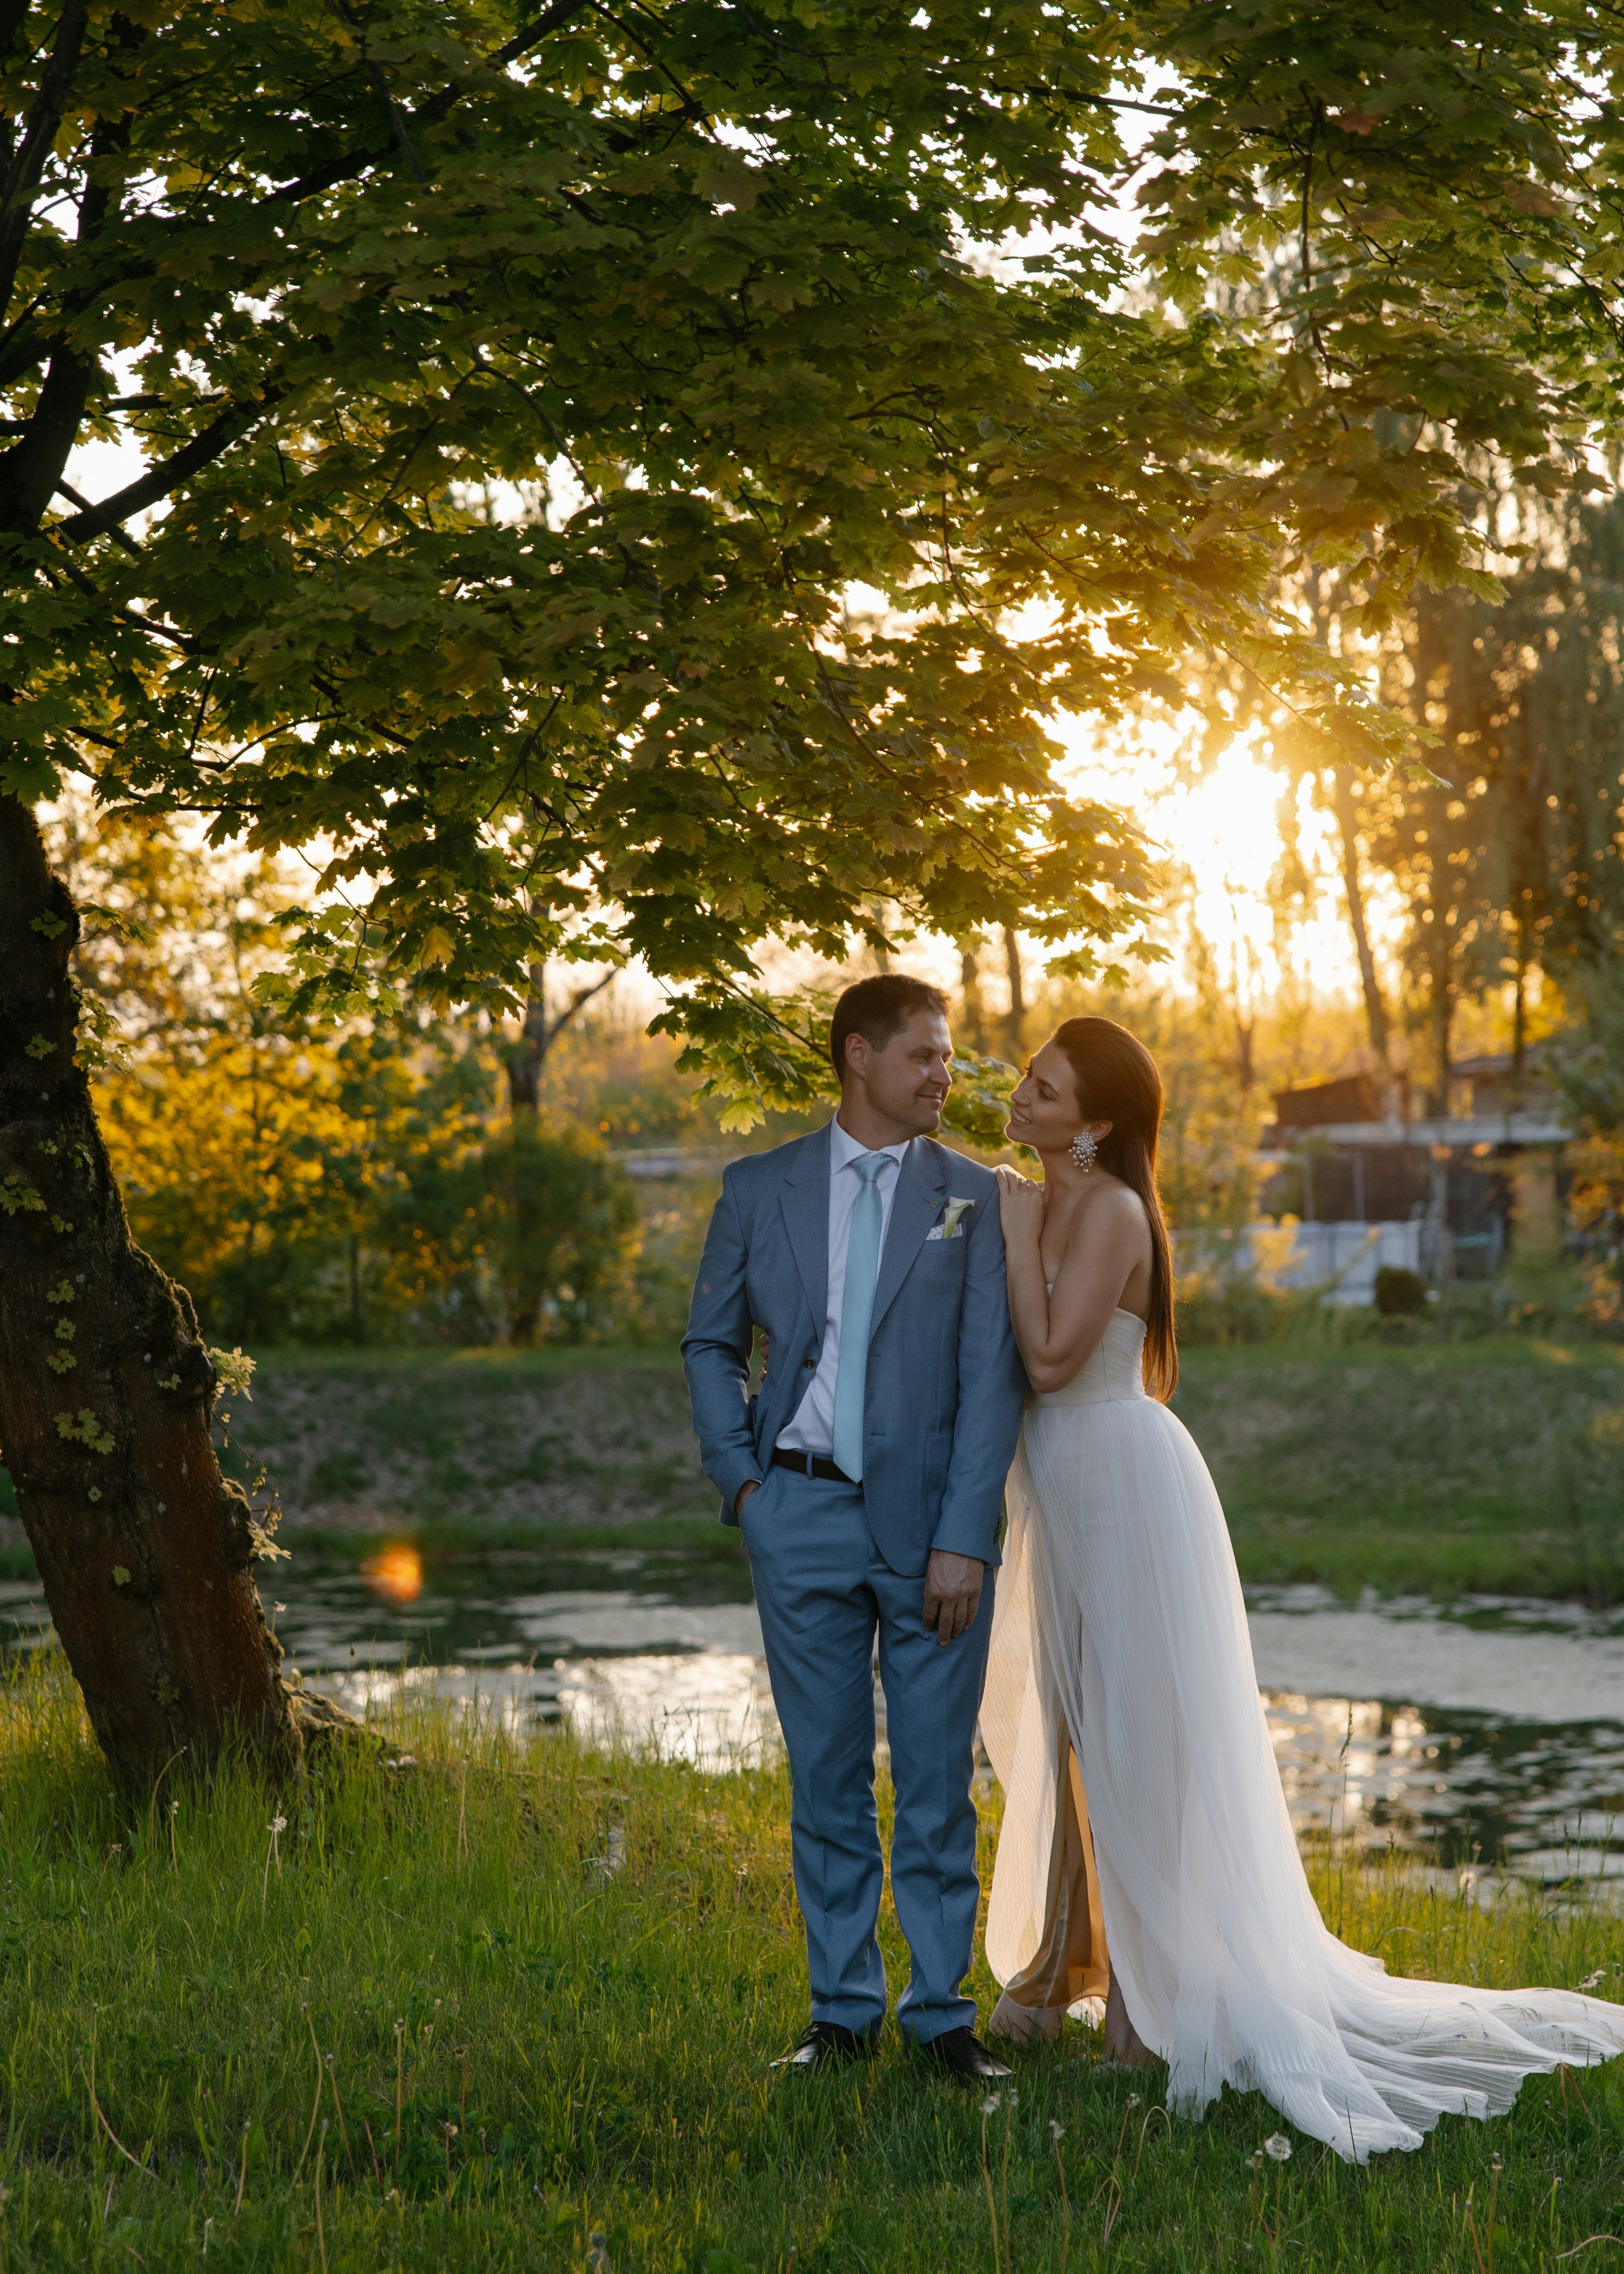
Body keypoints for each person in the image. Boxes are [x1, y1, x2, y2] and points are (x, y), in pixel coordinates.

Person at [980, 1014, 1624, 2159]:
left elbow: (1046, 1361)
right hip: (1068, 1489)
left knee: (1139, 1741)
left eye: (1047, 1085)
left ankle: (1146, 1997)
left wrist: (1020, 1225)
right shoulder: (1041, 1194)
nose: (1023, 1092)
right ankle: (1068, 1957)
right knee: (1080, 1734)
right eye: (1030, 1077)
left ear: (1100, 1120)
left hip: (1126, 1486)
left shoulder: (1109, 1208)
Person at [683, 974, 1026, 2079]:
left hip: (934, 1532)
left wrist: (967, 1537)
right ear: (858, 1056)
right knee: (825, 1779)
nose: (944, 1075)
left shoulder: (976, 1198)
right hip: (799, 1514)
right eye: (925, 1055)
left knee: (935, 1784)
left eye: (949, 1056)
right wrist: (746, 1488)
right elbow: (710, 1344)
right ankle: (841, 2017)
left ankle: (942, 2021)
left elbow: (991, 1379)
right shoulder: (759, 1188)